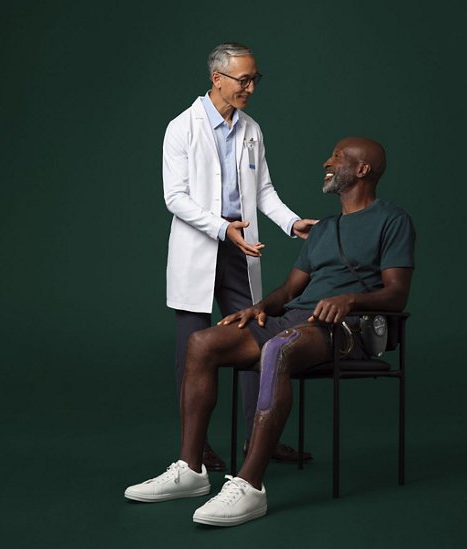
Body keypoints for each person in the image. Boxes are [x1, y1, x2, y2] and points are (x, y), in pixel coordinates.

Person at [130, 137, 415, 527]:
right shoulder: (323, 229)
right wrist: (261, 307)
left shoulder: (392, 220)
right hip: (294, 319)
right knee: (203, 343)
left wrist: (349, 300)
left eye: (337, 157)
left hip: (348, 328)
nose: (326, 162)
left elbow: (397, 294)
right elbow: (289, 290)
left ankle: (249, 486)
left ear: (363, 170)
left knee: (279, 349)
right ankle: (191, 469)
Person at [163, 42, 317, 471]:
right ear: (217, 79)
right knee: (192, 351)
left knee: (256, 342)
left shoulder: (251, 129)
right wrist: (220, 228)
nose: (250, 87)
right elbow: (174, 197)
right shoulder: (182, 128)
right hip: (200, 248)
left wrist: (291, 223)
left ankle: (259, 439)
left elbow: (263, 191)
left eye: (254, 79)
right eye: (243, 80)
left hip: (240, 249)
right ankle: (195, 450)